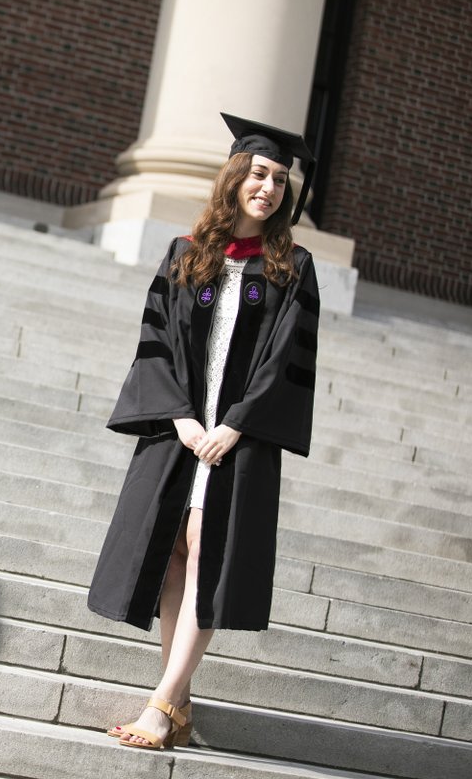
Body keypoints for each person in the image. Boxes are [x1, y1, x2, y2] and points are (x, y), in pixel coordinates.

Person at [87, 112, 320, 750]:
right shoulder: (186, 253)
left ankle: (161, 704)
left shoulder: (292, 267)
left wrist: (237, 426)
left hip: (236, 442)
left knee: (204, 546)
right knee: (172, 557)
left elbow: (287, 360)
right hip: (182, 432)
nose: (268, 188)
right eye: (257, 173)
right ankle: (179, 698)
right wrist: (183, 418)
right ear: (235, 177)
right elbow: (156, 338)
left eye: (278, 179)